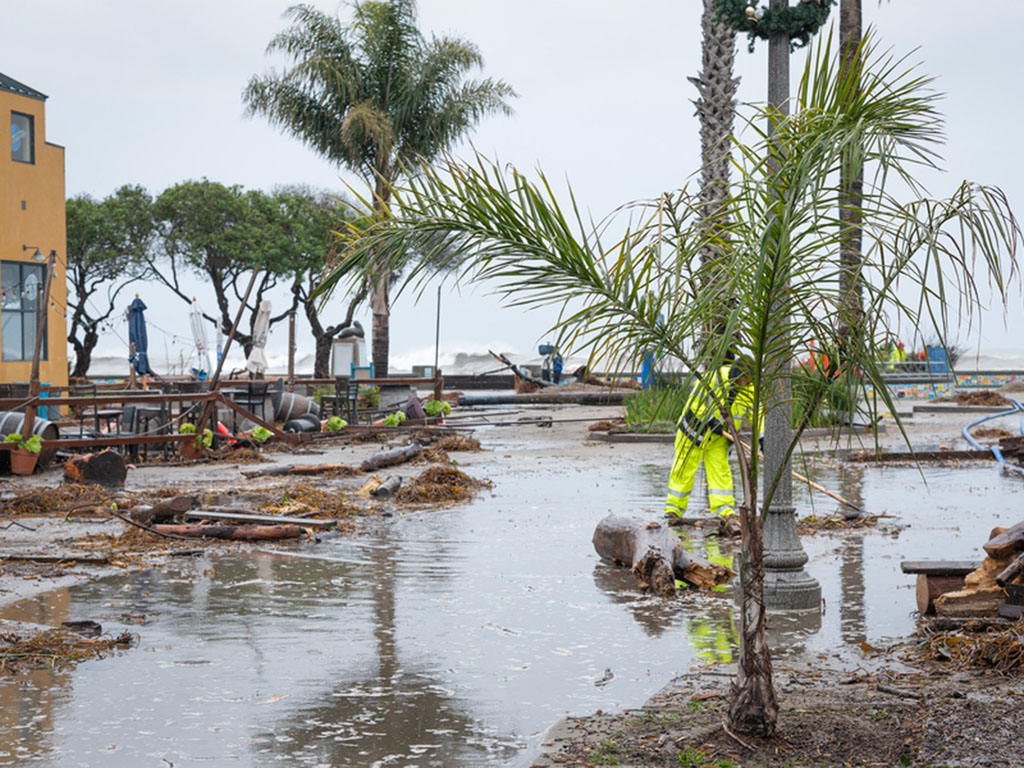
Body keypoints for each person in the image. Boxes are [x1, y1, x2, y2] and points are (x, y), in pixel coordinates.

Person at [664, 361, 761, 521]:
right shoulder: (714, 377)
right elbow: (696, 402)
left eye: (748, 379)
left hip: (718, 438)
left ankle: (725, 511)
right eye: (742, 378)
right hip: (693, 432)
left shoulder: (749, 389)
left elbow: (759, 413)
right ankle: (674, 509)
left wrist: (762, 437)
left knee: (721, 471)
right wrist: (710, 420)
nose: (744, 382)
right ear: (736, 373)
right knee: (683, 470)